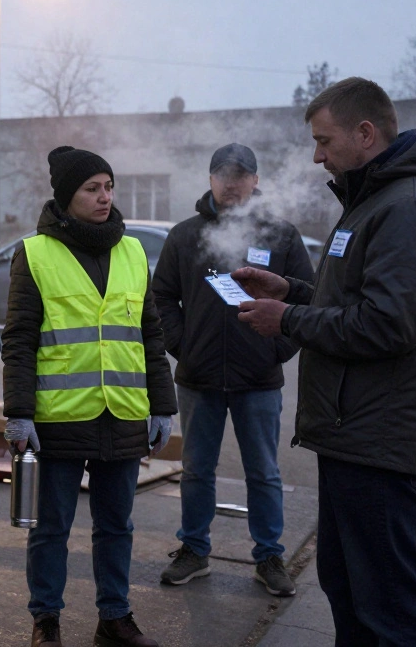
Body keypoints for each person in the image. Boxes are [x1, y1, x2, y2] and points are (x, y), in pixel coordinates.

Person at [235, 77, 416, 646]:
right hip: (355, 434)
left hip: (380, 439)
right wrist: (290, 291)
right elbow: (357, 303)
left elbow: (389, 326)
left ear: (365, 134)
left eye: (324, 141)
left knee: (388, 606)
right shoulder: (376, 200)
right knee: (350, 589)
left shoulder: (408, 207)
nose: (318, 156)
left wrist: (284, 320)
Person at [2, 146, 177, 647]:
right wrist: (18, 413)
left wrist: (163, 404)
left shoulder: (132, 252)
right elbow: (18, 339)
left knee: (117, 525)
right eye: (92, 189)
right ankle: (46, 620)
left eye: (109, 186)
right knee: (52, 527)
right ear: (66, 197)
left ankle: (115, 617)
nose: (105, 197)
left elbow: (150, 335)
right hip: (58, 416)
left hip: (122, 413)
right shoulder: (34, 253)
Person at [153, 143, 314, 597]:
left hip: (258, 379)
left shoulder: (280, 235)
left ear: (256, 180)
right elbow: (161, 297)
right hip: (199, 377)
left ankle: (268, 556)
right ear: (209, 180)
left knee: (263, 470)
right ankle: (194, 551)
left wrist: (277, 347)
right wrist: (183, 346)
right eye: (222, 174)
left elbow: (308, 297)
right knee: (196, 469)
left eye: (241, 174)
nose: (231, 182)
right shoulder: (185, 236)